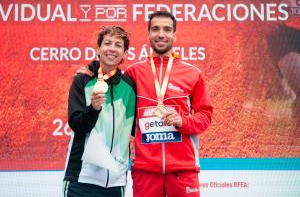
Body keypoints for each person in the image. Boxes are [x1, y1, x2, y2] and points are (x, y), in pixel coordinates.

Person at [79, 11, 213, 197]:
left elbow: (205, 115)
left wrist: (183, 122)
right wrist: (91, 74)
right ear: (148, 33)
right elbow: (110, 81)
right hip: (145, 170)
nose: (161, 34)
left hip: (183, 169)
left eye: (167, 29)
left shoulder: (192, 74)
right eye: (155, 29)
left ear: (174, 35)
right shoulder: (133, 73)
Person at [63, 26, 136, 197]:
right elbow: (76, 124)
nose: (112, 48)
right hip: (82, 178)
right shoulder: (83, 80)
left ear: (125, 53)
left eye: (118, 45)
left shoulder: (130, 86)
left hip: (116, 181)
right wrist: (93, 109)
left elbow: (134, 128)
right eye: (107, 43)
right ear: (98, 49)